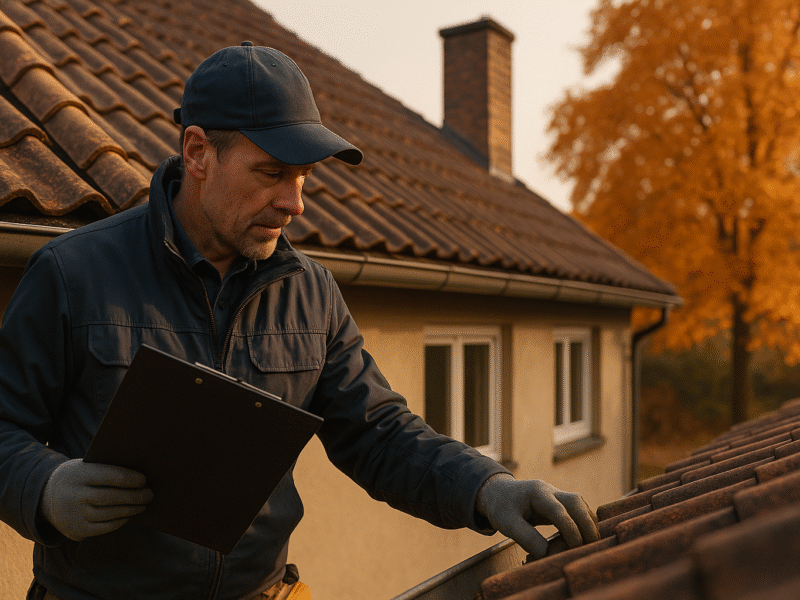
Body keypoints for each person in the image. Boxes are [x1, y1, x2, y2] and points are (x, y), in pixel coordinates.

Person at [0, 42, 599, 600]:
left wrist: (487, 488)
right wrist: (45, 488)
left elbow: (379, 433)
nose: (295, 202)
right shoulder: (73, 274)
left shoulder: (310, 292)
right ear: (198, 152)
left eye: (303, 177)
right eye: (271, 173)